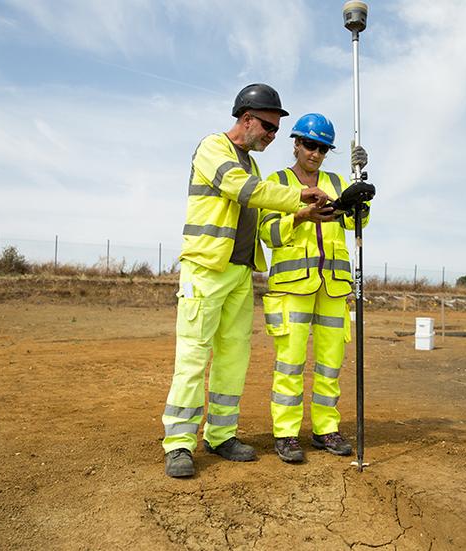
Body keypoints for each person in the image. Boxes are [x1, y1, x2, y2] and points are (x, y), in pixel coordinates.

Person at [162, 84, 330, 478]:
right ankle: (179, 443)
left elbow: (256, 202)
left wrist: (297, 216)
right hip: (206, 270)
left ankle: (221, 435)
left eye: (275, 130)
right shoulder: (213, 148)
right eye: (269, 128)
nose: (273, 136)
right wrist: (298, 197)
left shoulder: (251, 163)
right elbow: (241, 189)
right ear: (247, 119)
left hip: (240, 273)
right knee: (192, 358)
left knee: (233, 359)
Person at [258, 113, 370, 463]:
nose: (315, 153)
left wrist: (359, 191)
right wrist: (300, 216)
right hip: (292, 288)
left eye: (322, 148)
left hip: (334, 289)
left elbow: (358, 222)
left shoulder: (337, 181)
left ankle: (326, 429)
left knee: (330, 365)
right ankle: (287, 434)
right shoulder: (276, 182)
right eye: (309, 144)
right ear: (296, 143)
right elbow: (268, 233)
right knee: (290, 364)